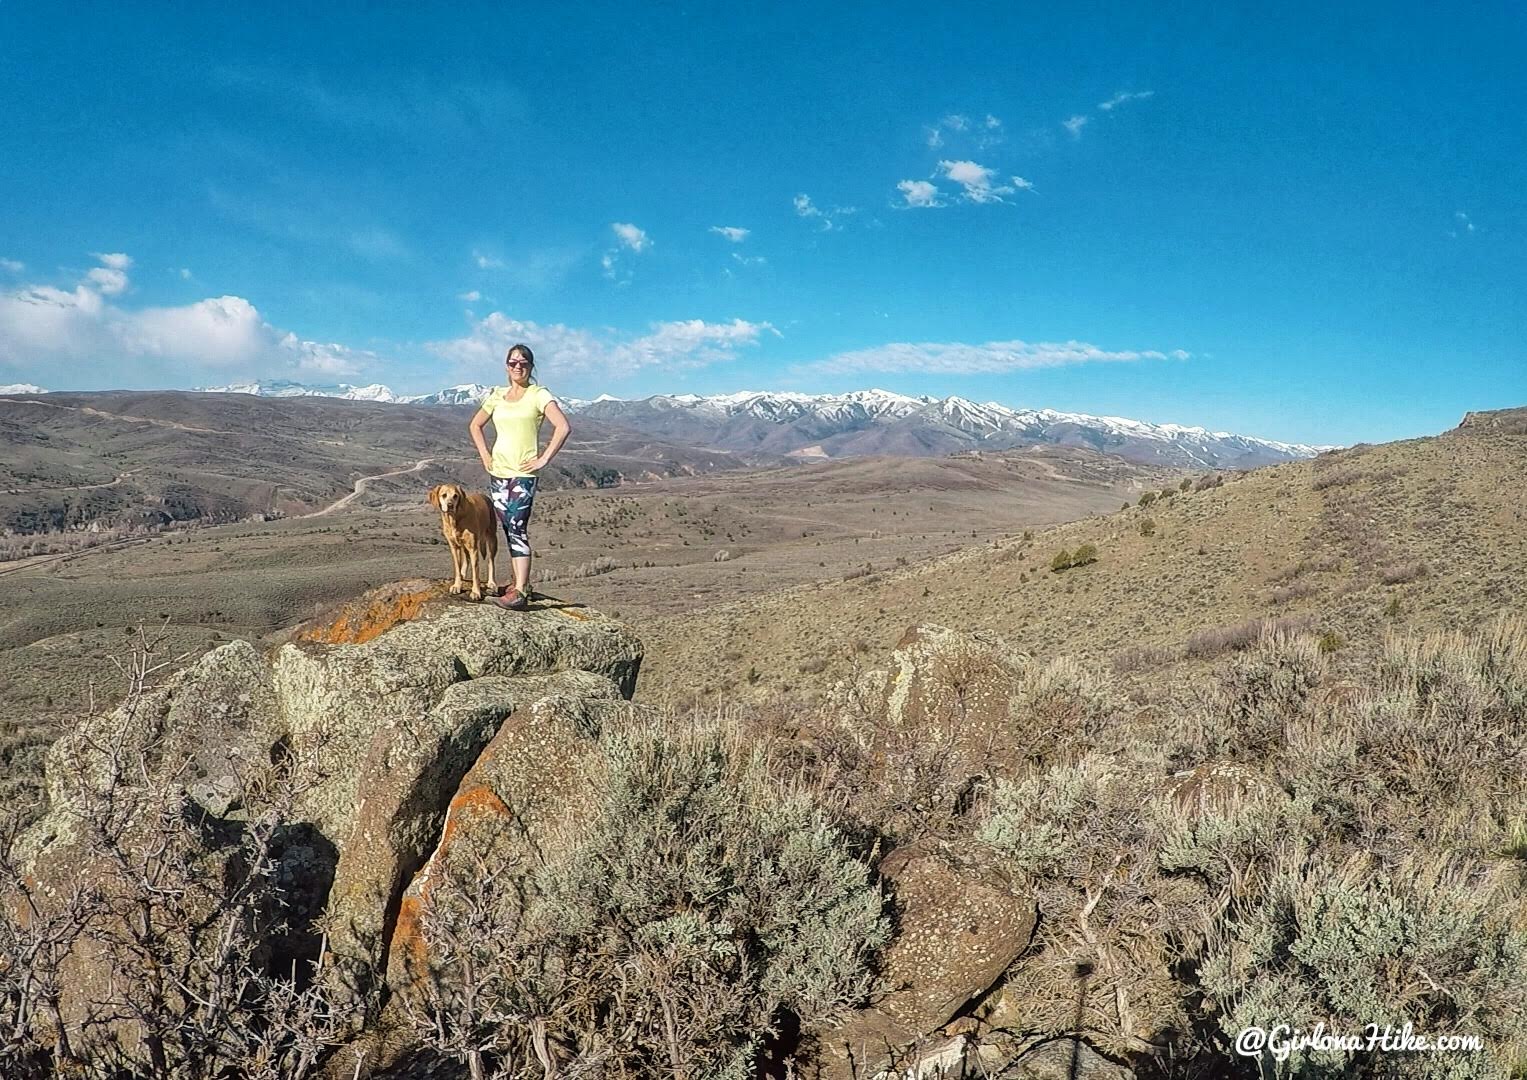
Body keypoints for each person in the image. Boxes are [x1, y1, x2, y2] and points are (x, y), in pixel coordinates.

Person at [468, 343, 571, 610]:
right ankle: (518, 583)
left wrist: (544, 459)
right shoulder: (497, 396)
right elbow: (475, 425)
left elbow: (562, 426)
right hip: (499, 472)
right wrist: (485, 455)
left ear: (531, 367)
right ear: (506, 366)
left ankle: (521, 591)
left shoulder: (539, 395)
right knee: (507, 527)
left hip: (523, 474)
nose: (518, 367)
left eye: (523, 363)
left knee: (517, 527)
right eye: (513, 362)